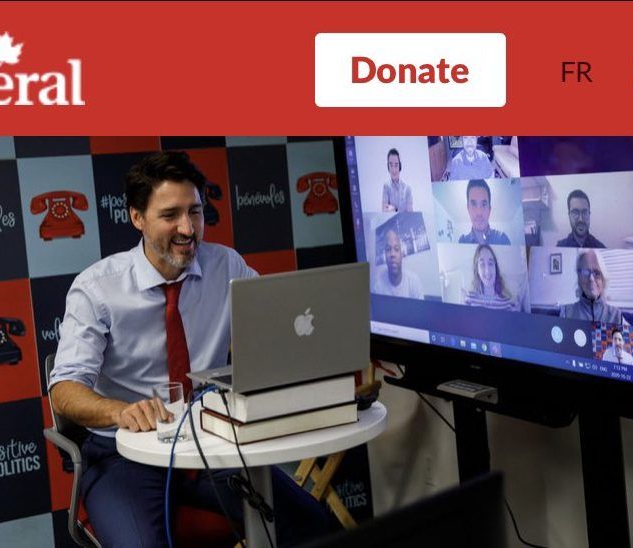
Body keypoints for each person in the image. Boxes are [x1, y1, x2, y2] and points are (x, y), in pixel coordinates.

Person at [49, 152, 332, 547]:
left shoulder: (227, 267)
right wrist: (120, 410)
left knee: (315, 526)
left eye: (195, 212)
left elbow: (280, 330)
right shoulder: (97, 288)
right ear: (136, 217)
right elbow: (63, 391)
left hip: (210, 443)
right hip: (122, 454)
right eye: (170, 215)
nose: (188, 228)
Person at [559, 249, 623, 323]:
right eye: (585, 272)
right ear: (579, 278)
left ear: (603, 280)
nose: (591, 279)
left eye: (596, 273)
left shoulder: (616, 315)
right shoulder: (566, 313)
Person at [462, 244, 521, 311]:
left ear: (495, 268)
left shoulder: (508, 303)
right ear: (477, 270)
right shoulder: (469, 300)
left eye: (490, 263)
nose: (487, 271)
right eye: (482, 264)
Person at [372, 229, 424, 299]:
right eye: (388, 249)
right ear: (385, 255)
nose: (392, 254)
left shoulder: (414, 283)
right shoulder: (377, 285)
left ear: (401, 254)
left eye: (396, 249)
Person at [458, 179, 511, 245]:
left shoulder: (502, 239)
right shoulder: (462, 241)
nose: (479, 212)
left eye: (484, 204)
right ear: (468, 209)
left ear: (489, 209)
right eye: (474, 204)